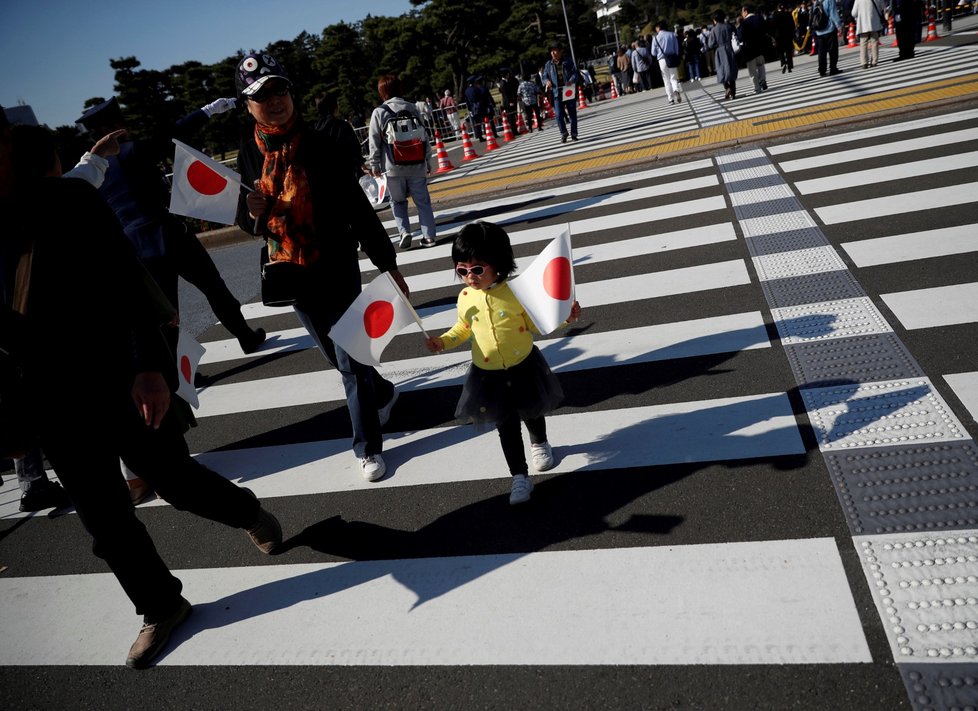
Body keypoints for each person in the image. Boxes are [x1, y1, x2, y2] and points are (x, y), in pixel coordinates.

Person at [0, 104, 282, 670]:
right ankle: (160, 605)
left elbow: (130, 284)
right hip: (49, 398)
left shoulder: (71, 200)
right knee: (104, 520)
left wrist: (151, 368)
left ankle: (249, 512)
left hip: (115, 376)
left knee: (174, 479)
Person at [234, 53, 407, 483]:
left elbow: (358, 207)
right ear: (247, 105)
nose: (274, 100)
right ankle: (383, 392)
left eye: (279, 89)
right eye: (261, 95)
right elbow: (248, 219)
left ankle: (367, 447)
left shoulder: (322, 140)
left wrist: (388, 264)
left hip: (336, 262)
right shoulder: (249, 152)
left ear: (291, 93)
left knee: (349, 359)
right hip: (289, 269)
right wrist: (250, 211)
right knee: (335, 355)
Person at [75, 97, 266, 357]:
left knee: (165, 313)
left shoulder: (88, 172)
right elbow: (174, 133)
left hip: (138, 247)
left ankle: (177, 373)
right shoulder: (132, 150)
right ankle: (245, 337)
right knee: (214, 288)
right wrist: (206, 110)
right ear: (117, 127)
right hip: (171, 233)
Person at [424, 222, 581, 505]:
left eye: (477, 269)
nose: (469, 277)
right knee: (505, 425)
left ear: (499, 264)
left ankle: (540, 443)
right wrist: (443, 341)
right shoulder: (465, 297)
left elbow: (536, 323)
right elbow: (463, 328)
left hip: (523, 365)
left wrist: (566, 317)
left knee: (533, 411)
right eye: (462, 271)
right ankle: (519, 476)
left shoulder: (516, 291)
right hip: (488, 375)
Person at [368, 74, 437, 250]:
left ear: (382, 92)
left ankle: (404, 232)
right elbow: (424, 137)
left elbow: (374, 141)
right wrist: (428, 160)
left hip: (392, 167)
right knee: (423, 202)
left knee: (397, 202)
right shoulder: (413, 108)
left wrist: (374, 165)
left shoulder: (379, 112)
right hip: (416, 164)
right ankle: (429, 237)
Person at [314, 91, 364, 179]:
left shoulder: (315, 129)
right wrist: (360, 163)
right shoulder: (343, 125)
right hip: (346, 173)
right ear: (334, 107)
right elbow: (355, 148)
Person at [542, 43, 579, 143]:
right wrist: (547, 82)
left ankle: (574, 134)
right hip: (556, 92)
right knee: (558, 115)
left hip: (568, 90)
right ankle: (563, 133)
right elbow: (544, 77)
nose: (553, 53)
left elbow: (575, 73)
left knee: (572, 114)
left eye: (555, 50)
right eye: (551, 51)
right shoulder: (548, 64)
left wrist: (571, 80)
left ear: (560, 51)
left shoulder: (568, 61)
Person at [708, 9, 740, 100]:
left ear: (715, 19)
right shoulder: (728, 26)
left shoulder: (714, 30)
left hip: (719, 51)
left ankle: (727, 87)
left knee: (721, 70)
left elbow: (710, 44)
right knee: (731, 70)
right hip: (729, 49)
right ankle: (733, 93)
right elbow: (735, 34)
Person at [650, 21, 684, 104]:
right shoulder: (672, 35)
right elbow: (676, 48)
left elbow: (653, 53)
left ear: (658, 28)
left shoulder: (655, 38)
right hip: (672, 57)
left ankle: (670, 98)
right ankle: (676, 89)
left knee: (666, 79)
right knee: (673, 77)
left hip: (662, 60)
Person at [738, 6, 770, 92]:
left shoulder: (744, 23)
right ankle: (762, 79)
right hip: (760, 47)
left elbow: (740, 37)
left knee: (752, 70)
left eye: (742, 12)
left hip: (749, 49)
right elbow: (766, 29)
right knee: (761, 65)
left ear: (745, 11)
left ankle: (757, 87)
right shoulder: (759, 18)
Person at [813, 0, 845, 75]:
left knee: (821, 51)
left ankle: (822, 70)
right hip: (829, 29)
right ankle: (833, 68)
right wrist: (839, 26)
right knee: (833, 50)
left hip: (819, 31)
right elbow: (833, 14)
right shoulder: (830, 0)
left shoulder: (817, 2)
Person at [852, 0, 886, 67]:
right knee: (874, 42)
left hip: (863, 24)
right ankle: (874, 61)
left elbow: (853, 13)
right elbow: (883, 7)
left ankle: (864, 62)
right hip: (874, 23)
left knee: (863, 43)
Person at [773, 3, 797, 72]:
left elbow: (772, 26)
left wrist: (774, 36)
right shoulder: (788, 14)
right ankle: (790, 65)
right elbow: (792, 25)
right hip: (788, 35)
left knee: (781, 51)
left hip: (779, 36)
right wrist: (793, 35)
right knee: (788, 51)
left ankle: (783, 62)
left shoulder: (775, 16)